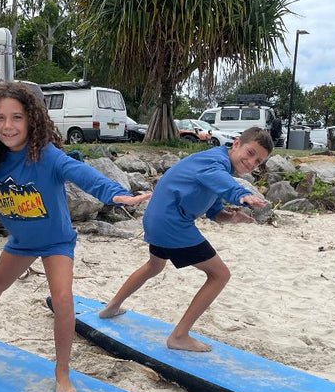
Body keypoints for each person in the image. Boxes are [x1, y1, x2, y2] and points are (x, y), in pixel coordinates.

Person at [0, 82, 151, 392]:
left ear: (32, 120)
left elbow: (81, 173)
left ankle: (62, 371)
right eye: (0, 118)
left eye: (17, 117)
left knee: (62, 299)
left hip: (55, 242)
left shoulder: (46, 156)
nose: (8, 126)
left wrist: (115, 193)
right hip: (21, 241)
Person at [97, 127, 273, 352]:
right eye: (250, 153)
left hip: (157, 219)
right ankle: (179, 336)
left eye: (258, 161)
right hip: (172, 223)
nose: (251, 163)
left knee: (154, 265)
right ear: (236, 143)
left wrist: (232, 218)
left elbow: (214, 211)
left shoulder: (218, 167)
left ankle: (111, 307)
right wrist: (240, 194)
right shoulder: (215, 162)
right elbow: (216, 176)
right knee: (220, 275)